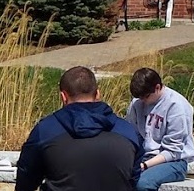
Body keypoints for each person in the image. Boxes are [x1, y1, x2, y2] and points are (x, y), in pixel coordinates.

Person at [16, 66, 145, 191]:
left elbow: (26, 180)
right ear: (98, 94)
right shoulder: (128, 132)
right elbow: (133, 179)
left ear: (63, 97)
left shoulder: (45, 131)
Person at [125, 68, 194, 191]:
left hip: (174, 161)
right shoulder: (136, 103)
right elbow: (132, 136)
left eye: (146, 97)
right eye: (139, 97)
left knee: (142, 184)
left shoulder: (176, 106)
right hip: (143, 157)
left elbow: (173, 150)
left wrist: (144, 165)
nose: (142, 101)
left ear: (158, 87)